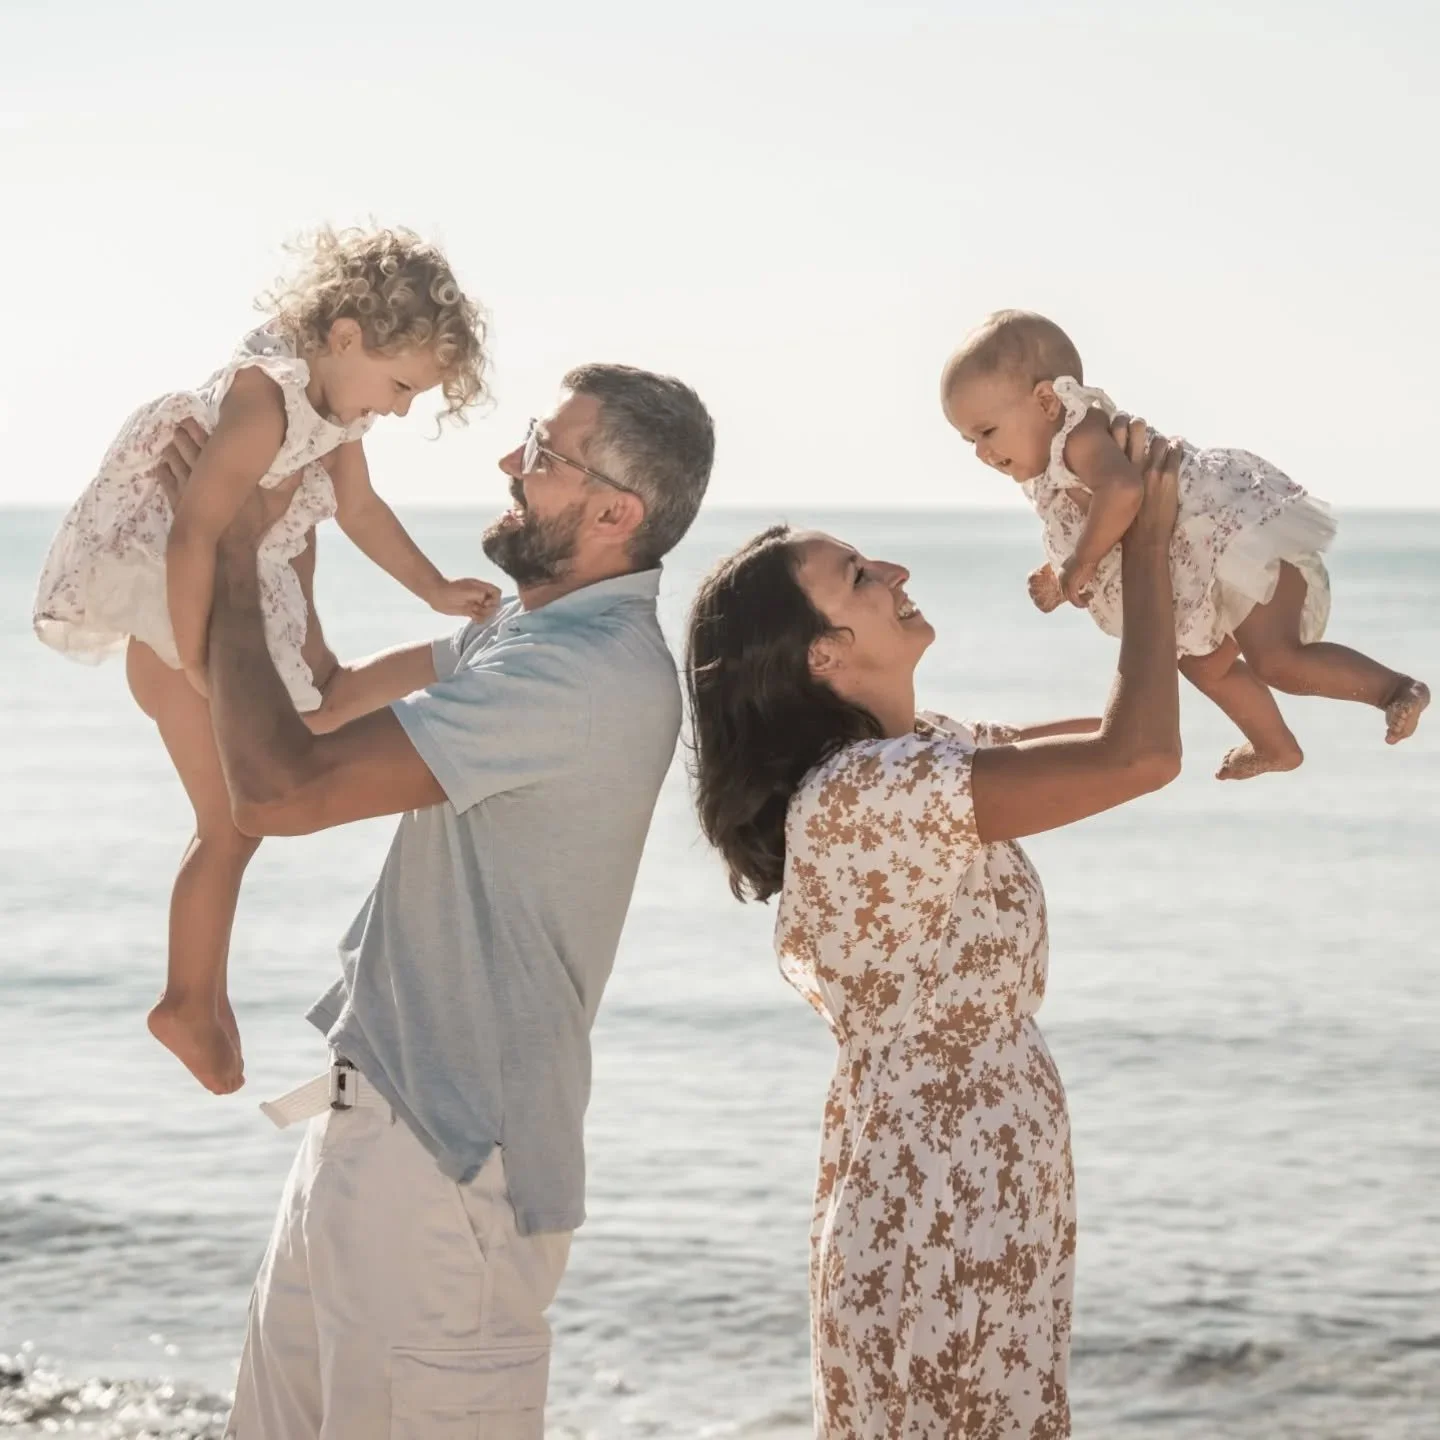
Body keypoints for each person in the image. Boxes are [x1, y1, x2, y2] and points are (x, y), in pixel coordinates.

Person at [157, 362, 713, 1439]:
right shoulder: (524, 635)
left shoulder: (583, 677)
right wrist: (278, 549)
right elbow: (317, 708)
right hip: (372, 1131)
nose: (512, 463)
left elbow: (282, 789)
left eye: (545, 455)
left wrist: (228, 551)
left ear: (614, 512)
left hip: (451, 1174)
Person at [685, 419, 1182, 1438]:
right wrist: (1142, 537)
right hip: (945, 1183)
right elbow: (1140, 759)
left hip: (973, 1160)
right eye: (860, 574)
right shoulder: (872, 790)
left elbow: (1114, 733)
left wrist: (1153, 563)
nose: (897, 570)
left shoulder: (923, 749)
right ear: (827, 653)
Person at [31, 226, 499, 1094]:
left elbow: (360, 512)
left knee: (320, 711)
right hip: (180, 615)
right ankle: (187, 1001)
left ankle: (460, 651)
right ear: (348, 336)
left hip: (234, 602)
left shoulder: (332, 409)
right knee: (234, 822)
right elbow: (192, 535)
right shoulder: (268, 400)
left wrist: (434, 588)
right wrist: (202, 663)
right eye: (400, 386)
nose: (397, 409)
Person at [941, 309, 1428, 780]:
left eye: (987, 431)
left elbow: (1124, 494)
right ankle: (1275, 745)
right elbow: (1100, 521)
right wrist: (1059, 569)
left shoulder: (1077, 433)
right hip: (1204, 572)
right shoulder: (1057, 464)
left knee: (1276, 660)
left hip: (1234, 546)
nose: (983, 453)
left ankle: (1394, 689)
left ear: (1047, 401)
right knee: (1200, 663)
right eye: (968, 442)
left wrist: (1078, 564)